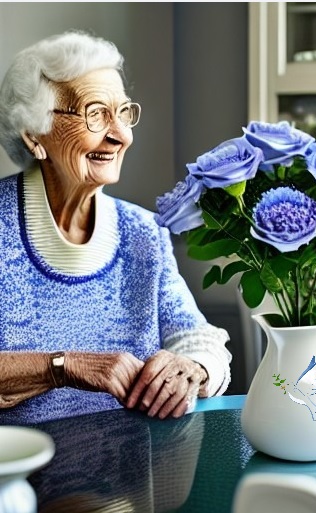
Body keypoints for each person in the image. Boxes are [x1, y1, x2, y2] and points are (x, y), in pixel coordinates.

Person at [0, 31, 232, 424]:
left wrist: (193, 368)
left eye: (123, 113)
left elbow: (199, 338)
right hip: (18, 476)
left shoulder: (142, 232)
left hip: (131, 475)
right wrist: (62, 366)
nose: (121, 135)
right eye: (95, 113)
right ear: (34, 135)